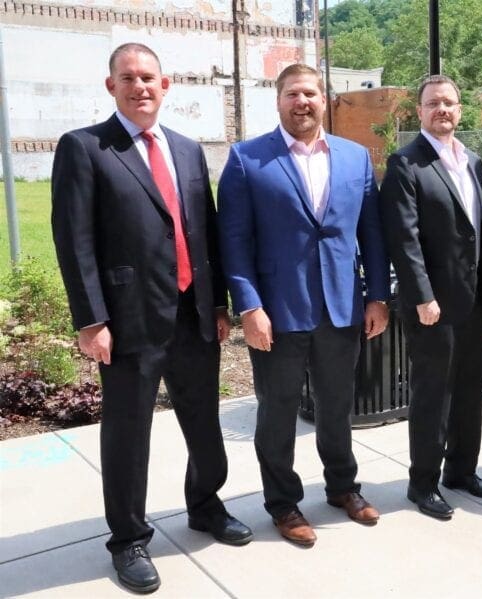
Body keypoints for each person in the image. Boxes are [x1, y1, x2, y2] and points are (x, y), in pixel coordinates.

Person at [50, 43, 251, 593]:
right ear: (110, 86)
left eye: (149, 78)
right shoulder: (85, 148)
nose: (140, 87)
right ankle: (128, 539)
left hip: (192, 314)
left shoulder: (187, 150)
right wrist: (91, 320)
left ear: (166, 88)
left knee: (204, 425)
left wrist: (216, 304)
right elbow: (74, 240)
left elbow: (202, 230)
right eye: (128, 78)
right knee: (128, 434)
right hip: (128, 319)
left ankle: (206, 506)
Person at [217, 63, 390, 546]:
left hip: (341, 307)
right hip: (277, 312)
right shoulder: (247, 160)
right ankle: (283, 503)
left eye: (310, 93)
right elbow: (233, 241)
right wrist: (249, 307)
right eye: (293, 94)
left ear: (323, 99)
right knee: (277, 413)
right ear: (278, 101)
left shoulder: (355, 159)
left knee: (338, 407)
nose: (302, 102)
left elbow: (371, 234)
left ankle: (342, 488)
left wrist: (376, 296)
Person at [380, 74, 482, 520]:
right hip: (432, 306)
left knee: (471, 390)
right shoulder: (405, 164)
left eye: (449, 103)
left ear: (460, 110)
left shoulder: (471, 161)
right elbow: (404, 240)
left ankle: (462, 471)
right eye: (433, 104)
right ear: (420, 111)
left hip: (473, 301)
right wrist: (422, 297)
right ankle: (423, 483)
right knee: (434, 395)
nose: (443, 110)